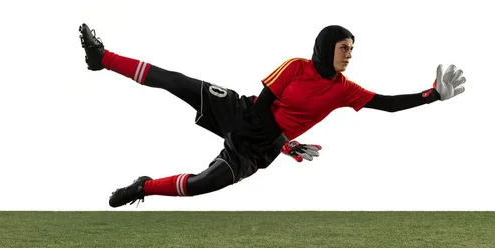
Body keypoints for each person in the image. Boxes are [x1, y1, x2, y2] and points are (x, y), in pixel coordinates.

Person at [79, 23, 466, 208]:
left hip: (257, 150)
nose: (349, 54)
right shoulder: (297, 67)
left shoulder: (345, 90)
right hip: (242, 113)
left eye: (352, 49)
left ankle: (143, 187)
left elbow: (388, 103)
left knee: (202, 184)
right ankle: (103, 58)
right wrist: (287, 145)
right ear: (326, 47)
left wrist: (433, 95)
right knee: (174, 81)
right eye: (344, 47)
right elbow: (263, 108)